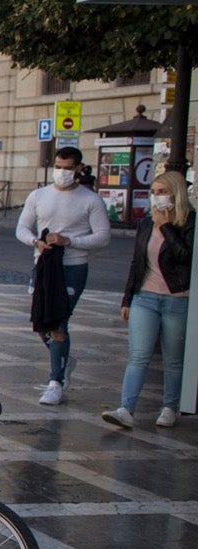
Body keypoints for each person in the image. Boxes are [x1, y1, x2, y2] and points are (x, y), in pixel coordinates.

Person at [16, 146, 112, 405]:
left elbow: (103, 236)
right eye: (58, 167)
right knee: (40, 322)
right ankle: (64, 359)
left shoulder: (91, 200)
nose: (62, 172)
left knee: (58, 322)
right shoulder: (39, 195)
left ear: (78, 169)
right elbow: (22, 228)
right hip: (43, 266)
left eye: (68, 168)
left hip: (72, 268)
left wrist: (69, 240)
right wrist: (36, 241)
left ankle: (55, 381)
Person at [103, 170, 193, 429]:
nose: (157, 198)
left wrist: (166, 225)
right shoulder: (145, 223)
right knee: (138, 355)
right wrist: (127, 298)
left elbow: (185, 256)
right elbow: (137, 263)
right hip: (145, 298)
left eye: (163, 192)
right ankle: (126, 409)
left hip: (177, 299)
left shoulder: (190, 223)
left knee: (173, 359)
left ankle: (169, 407)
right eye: (153, 192)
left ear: (176, 194)